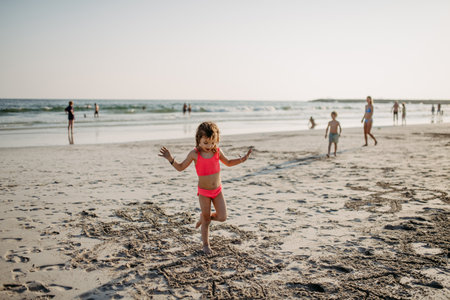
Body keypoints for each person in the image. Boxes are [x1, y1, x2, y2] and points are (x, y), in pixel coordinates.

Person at [159, 121, 252, 254]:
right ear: (198, 140)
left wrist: (242, 159)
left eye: (212, 142)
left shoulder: (217, 152)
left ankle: (204, 218)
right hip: (204, 192)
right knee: (207, 222)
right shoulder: (194, 154)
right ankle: (206, 244)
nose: (209, 146)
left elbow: (229, 163)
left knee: (222, 217)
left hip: (217, 191)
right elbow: (180, 168)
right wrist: (170, 159)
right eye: (205, 143)